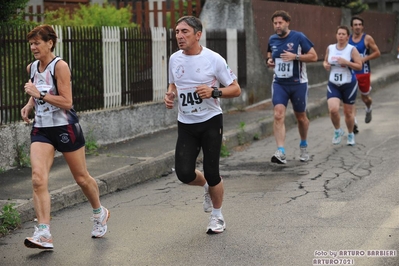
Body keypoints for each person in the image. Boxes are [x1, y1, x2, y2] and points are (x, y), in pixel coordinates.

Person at [21, 25, 109, 250]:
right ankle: (44, 233)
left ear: (50, 43)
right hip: (42, 129)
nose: (33, 47)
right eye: (31, 43)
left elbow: (67, 101)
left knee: (81, 178)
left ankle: (99, 212)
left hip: (65, 127)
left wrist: (38, 95)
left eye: (37, 43)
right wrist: (30, 104)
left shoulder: (60, 66)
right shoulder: (32, 67)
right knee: (38, 178)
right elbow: (37, 90)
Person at [164, 16, 241, 234]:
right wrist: (170, 94)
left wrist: (214, 91)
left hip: (210, 121)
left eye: (185, 32)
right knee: (184, 173)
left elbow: (236, 89)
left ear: (198, 35)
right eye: (177, 32)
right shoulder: (174, 59)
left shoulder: (213, 59)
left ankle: (217, 216)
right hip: (186, 123)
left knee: (212, 170)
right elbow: (173, 84)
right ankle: (206, 186)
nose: (179, 36)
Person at [266, 10, 318, 164]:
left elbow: (314, 56)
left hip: (298, 84)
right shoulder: (272, 39)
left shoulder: (298, 37)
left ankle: (303, 145)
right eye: (275, 23)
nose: (278, 25)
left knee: (301, 117)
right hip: (279, 83)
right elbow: (270, 54)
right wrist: (269, 61)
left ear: (288, 22)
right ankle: (280, 151)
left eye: (280, 22)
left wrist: (295, 57)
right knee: (278, 114)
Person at [323, 26, 363, 146]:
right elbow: (325, 61)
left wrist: (347, 62)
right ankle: (337, 130)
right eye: (339, 34)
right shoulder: (330, 48)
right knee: (333, 110)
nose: (340, 36)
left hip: (348, 84)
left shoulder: (352, 49)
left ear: (347, 37)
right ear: (336, 35)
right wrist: (325, 65)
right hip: (333, 83)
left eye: (343, 34)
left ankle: (350, 134)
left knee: (348, 113)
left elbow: (359, 66)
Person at [349, 16, 381, 133]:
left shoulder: (367, 38)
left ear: (362, 26)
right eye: (355, 25)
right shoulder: (347, 39)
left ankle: (368, 108)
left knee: (365, 97)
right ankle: (354, 122)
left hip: (364, 72)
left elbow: (377, 52)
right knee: (350, 98)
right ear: (351, 27)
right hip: (351, 72)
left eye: (359, 25)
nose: (357, 27)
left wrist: (364, 59)